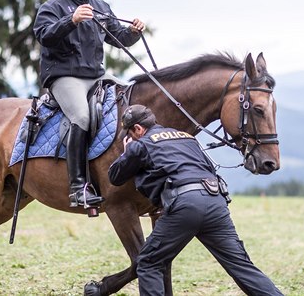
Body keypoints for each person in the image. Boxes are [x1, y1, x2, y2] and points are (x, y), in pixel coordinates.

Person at [108, 104, 284, 295]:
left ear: (138, 129)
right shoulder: (186, 137)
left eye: (130, 133)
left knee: (148, 262)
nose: (130, 137)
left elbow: (115, 177)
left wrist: (127, 153)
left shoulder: (141, 144)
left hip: (185, 204)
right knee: (241, 265)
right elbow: (207, 167)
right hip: (216, 201)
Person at [33, 0, 145, 208]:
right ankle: (78, 187)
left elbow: (118, 39)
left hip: (97, 75)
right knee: (81, 117)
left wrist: (134, 32)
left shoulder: (101, 7)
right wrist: (70, 21)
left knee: (133, 98)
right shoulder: (52, 7)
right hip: (64, 76)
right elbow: (44, 36)